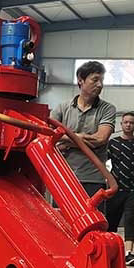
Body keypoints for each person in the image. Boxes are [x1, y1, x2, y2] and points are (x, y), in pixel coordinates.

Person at [51, 61, 116, 199]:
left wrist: (65, 142)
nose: (100, 85)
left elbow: (100, 139)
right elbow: (47, 135)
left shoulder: (107, 109)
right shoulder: (63, 108)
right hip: (64, 177)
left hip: (93, 179)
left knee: (92, 213)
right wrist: (80, 139)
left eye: (102, 80)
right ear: (81, 80)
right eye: (95, 80)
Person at [106, 112, 134, 267]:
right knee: (112, 219)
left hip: (133, 189)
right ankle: (109, 249)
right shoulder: (113, 143)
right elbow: (103, 163)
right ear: (121, 124)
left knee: (130, 219)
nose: (128, 125)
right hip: (116, 188)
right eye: (125, 122)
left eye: (131, 122)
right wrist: (108, 181)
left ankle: (128, 253)